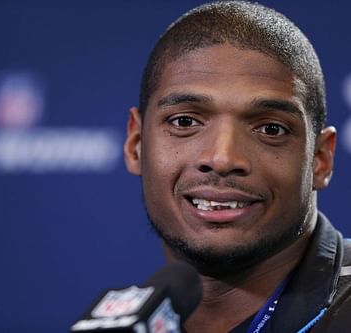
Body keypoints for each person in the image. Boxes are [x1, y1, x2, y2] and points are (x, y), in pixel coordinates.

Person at [123, 1, 351, 332]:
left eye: (270, 129)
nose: (222, 158)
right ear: (136, 146)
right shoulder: (131, 322)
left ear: (320, 159)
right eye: (185, 121)